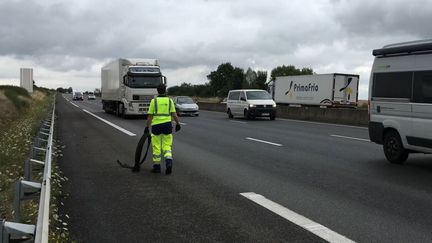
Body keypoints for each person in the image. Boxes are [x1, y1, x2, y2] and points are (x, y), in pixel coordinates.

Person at [145, 84, 180, 174]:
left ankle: (157, 167)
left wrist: (146, 127)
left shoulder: (154, 101)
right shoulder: (170, 101)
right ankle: (168, 162)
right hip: (167, 125)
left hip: (156, 126)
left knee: (156, 146)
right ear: (165, 90)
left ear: (157, 91)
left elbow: (150, 116)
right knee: (167, 146)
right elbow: (174, 114)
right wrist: (178, 123)